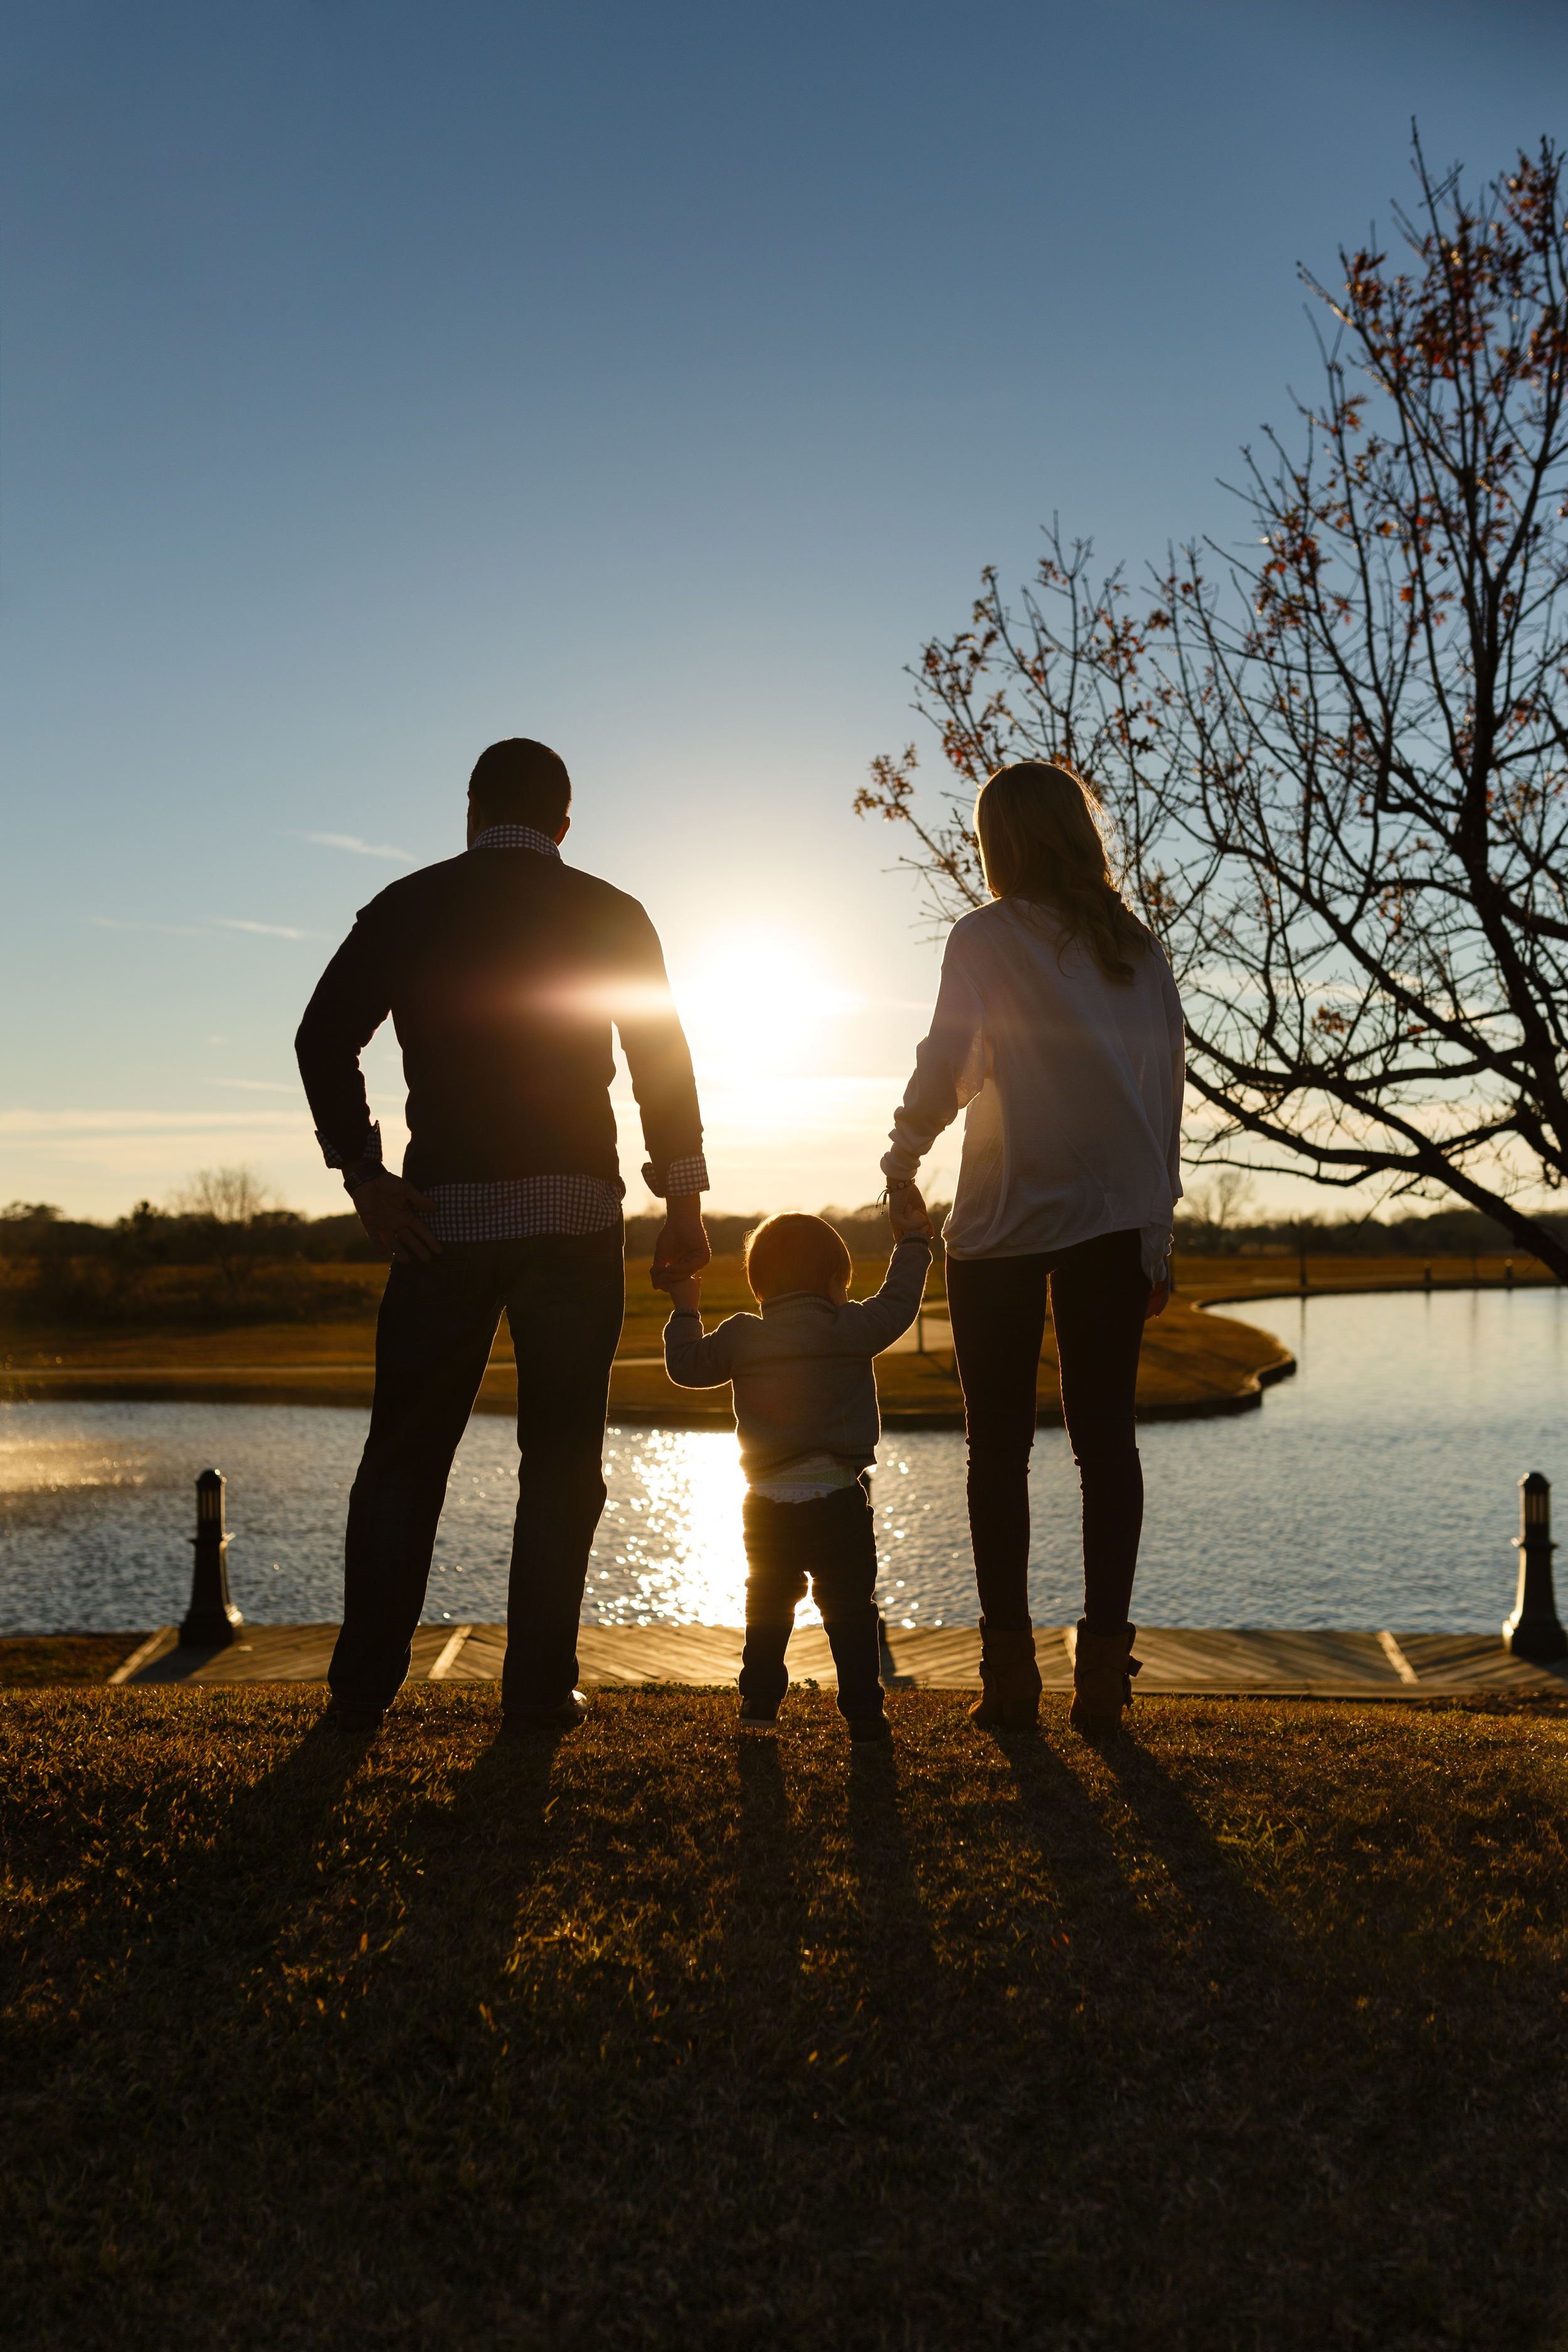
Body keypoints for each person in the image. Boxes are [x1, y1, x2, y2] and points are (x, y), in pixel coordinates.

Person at [295, 736, 711, 1734]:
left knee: (405, 1455)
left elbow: (322, 1037)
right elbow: (662, 1060)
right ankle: (535, 1689)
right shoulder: (612, 912)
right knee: (563, 1460)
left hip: (440, 1224)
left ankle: (360, 1690)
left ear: (472, 809)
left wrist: (364, 1177)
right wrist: (685, 1204)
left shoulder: (408, 905)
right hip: (573, 1218)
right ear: (565, 824)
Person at [882, 760, 1184, 1736]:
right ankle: (1104, 1672)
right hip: (1111, 1218)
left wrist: (904, 1149)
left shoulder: (987, 936)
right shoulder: (1138, 949)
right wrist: (1157, 1225)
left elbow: (952, 1057)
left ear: (1000, 842)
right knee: (1108, 1444)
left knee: (996, 1450)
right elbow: (1165, 1098)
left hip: (1005, 1220)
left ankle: (1009, 1674)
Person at [662, 1210, 933, 1739]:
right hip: (837, 1502)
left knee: (766, 1606)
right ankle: (863, 1715)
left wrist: (685, 1310)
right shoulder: (849, 1327)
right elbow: (900, 1301)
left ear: (759, 1284)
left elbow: (687, 1368)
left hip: (765, 1505)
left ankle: (759, 1708)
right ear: (835, 1283)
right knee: (851, 1612)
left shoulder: (744, 1335)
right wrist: (915, 1243)